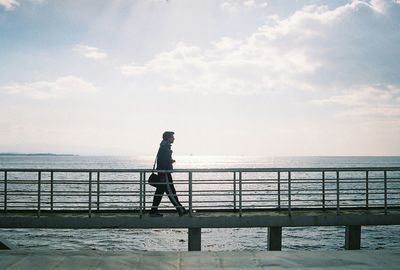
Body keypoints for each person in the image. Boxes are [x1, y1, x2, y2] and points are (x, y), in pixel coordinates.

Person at [149, 131, 189, 217]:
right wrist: (163, 174)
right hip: (164, 174)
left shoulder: (163, 146)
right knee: (171, 192)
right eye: (172, 137)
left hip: (163, 173)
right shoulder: (164, 148)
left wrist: (170, 161)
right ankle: (180, 210)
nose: (174, 138)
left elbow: (163, 160)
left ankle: (153, 211)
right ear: (168, 138)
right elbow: (163, 162)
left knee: (159, 192)